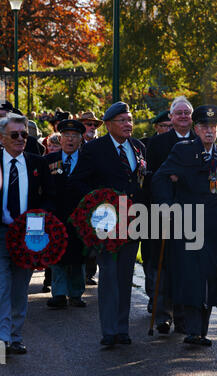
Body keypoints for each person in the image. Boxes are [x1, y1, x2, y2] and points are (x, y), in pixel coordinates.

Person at [151, 104, 217, 346]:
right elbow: (160, 177)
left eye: (213, 127)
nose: (208, 131)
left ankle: (201, 330)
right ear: (196, 129)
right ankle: (194, 331)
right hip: (188, 225)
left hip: (216, 229)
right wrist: (169, 205)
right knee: (192, 277)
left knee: (210, 278)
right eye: (204, 126)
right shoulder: (182, 151)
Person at [68, 101, 146, 347]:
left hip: (133, 223)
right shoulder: (94, 149)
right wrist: (99, 201)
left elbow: (142, 182)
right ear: (109, 124)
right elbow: (77, 181)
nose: (128, 124)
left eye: (130, 119)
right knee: (109, 276)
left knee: (125, 277)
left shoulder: (139, 147)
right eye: (122, 120)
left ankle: (123, 329)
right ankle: (109, 331)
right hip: (106, 223)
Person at [0, 113, 54, 355]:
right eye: (15, 135)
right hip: (0, 234)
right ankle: (3, 339)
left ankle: (15, 336)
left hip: (26, 235)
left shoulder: (37, 164)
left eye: (24, 134)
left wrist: (39, 220)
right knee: (2, 287)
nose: (21, 139)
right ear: (2, 138)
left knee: (21, 288)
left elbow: (48, 197)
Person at [146, 96, 196, 334]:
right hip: (162, 213)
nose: (184, 116)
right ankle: (162, 316)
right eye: (179, 113)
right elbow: (154, 177)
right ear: (171, 117)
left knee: (186, 268)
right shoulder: (157, 144)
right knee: (162, 266)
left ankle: (183, 316)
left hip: (192, 214)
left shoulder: (201, 141)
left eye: (187, 112)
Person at [46, 119, 87, 309]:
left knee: (78, 256)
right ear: (60, 139)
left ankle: (76, 293)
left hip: (80, 217)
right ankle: (59, 293)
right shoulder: (49, 161)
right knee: (57, 254)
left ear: (80, 139)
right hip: (56, 215)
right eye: (67, 136)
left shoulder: (88, 160)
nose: (70, 140)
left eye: (75, 136)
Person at [78, 111, 103, 286]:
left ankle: (89, 272)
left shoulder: (102, 146)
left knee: (96, 238)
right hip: (80, 196)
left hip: (99, 198)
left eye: (94, 125)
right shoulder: (75, 145)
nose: (92, 128)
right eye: (88, 124)